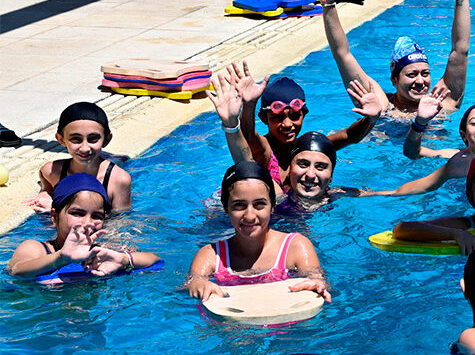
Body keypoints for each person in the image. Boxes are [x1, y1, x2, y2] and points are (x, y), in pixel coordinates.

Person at [304, 0, 475, 117]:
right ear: (394, 80)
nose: (420, 81)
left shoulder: (443, 102)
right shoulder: (381, 106)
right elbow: (342, 54)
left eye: (425, 73)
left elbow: (460, 50)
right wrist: (329, 5)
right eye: (412, 74)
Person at [210, 63, 381, 192]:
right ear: (263, 118)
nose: (287, 124)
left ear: (304, 114)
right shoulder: (263, 149)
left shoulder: (307, 148)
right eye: (278, 117)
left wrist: (371, 119)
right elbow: (246, 138)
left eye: (294, 116)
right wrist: (249, 104)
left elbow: (350, 136)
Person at [187, 161, 332, 302]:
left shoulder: (295, 247)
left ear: (272, 206)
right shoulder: (211, 255)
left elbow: (317, 279)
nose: (250, 216)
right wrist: (198, 285)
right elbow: (193, 283)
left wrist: (318, 284)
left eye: (259, 204)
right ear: (226, 208)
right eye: (239, 205)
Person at [7, 173, 159, 277]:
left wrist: (123, 260)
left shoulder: (102, 251)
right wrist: (61, 258)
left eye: (96, 216)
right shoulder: (36, 249)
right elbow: (17, 270)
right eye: (77, 213)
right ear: (54, 216)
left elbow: (155, 259)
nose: (87, 223)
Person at [370, 103, 475, 196]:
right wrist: (419, 123)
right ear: (463, 135)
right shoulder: (453, 158)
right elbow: (412, 152)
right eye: (474, 123)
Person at [24, 102, 132, 213]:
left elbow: (119, 221)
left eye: (93, 139)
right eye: (76, 139)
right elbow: (46, 185)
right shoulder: (51, 172)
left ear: (106, 139)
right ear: (61, 140)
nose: (85, 148)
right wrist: (44, 192)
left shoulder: (118, 180)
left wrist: (58, 210)